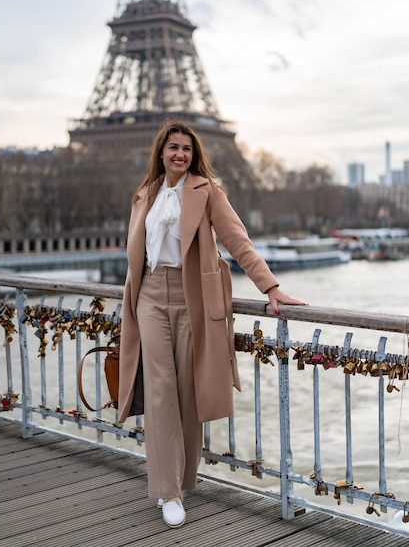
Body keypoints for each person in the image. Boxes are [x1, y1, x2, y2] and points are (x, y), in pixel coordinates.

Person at [117, 119, 306, 529]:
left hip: (193, 299)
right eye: (173, 148)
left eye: (186, 148)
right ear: (161, 153)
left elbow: (239, 242)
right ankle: (166, 491)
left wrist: (270, 287)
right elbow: (137, 253)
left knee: (187, 393)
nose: (179, 154)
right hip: (149, 295)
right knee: (161, 391)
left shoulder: (208, 193)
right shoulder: (144, 195)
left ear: (194, 154)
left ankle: (182, 482)